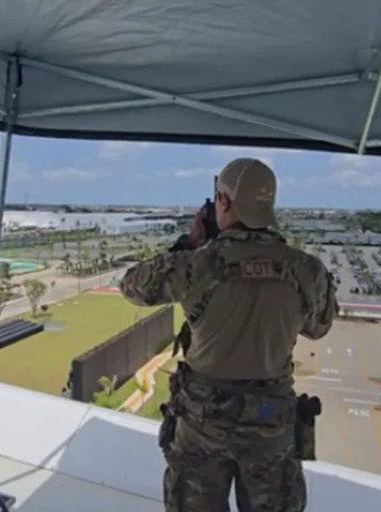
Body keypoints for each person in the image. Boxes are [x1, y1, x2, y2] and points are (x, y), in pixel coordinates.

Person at [120, 158, 338, 512]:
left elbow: (132, 286)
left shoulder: (197, 264)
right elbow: (319, 327)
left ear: (223, 202)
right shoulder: (306, 270)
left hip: (202, 424)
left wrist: (189, 244)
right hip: (270, 422)